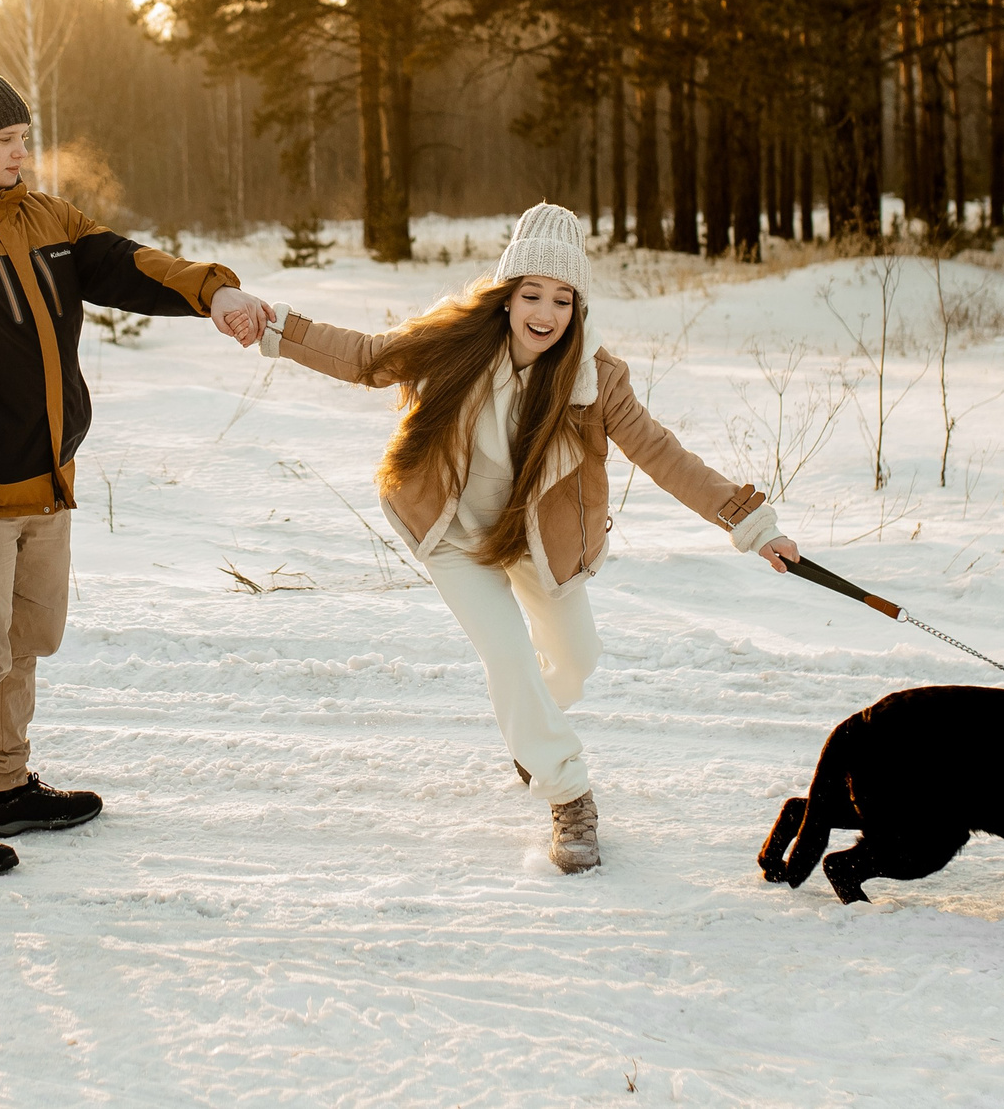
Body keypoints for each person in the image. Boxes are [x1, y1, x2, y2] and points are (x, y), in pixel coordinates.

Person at [247, 203, 800, 872]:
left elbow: (663, 455)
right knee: (509, 658)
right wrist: (273, 325)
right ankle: (568, 795)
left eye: (562, 299)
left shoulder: (596, 381)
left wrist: (751, 525)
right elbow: (366, 357)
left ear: (578, 307)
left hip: (538, 544)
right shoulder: (455, 342)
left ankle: (530, 731)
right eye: (531, 293)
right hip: (454, 535)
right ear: (505, 296)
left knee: (576, 662)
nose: (546, 312)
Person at [0, 67, 272, 875]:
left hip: (48, 480)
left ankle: (9, 789)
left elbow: (129, 263)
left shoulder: (45, 219)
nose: (23, 153)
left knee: (26, 640)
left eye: (25, 139)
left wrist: (212, 294)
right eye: (7, 142)